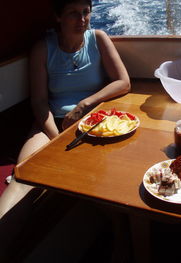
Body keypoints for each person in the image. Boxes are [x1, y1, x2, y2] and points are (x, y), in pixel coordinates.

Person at [0, 0, 130, 218]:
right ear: (58, 17)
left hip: (92, 123)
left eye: (85, 12)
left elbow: (123, 82)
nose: (82, 20)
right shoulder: (43, 48)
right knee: (24, 176)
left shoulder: (98, 39)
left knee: (110, 182)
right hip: (51, 122)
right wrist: (56, 137)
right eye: (72, 13)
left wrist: (85, 104)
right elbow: (39, 102)